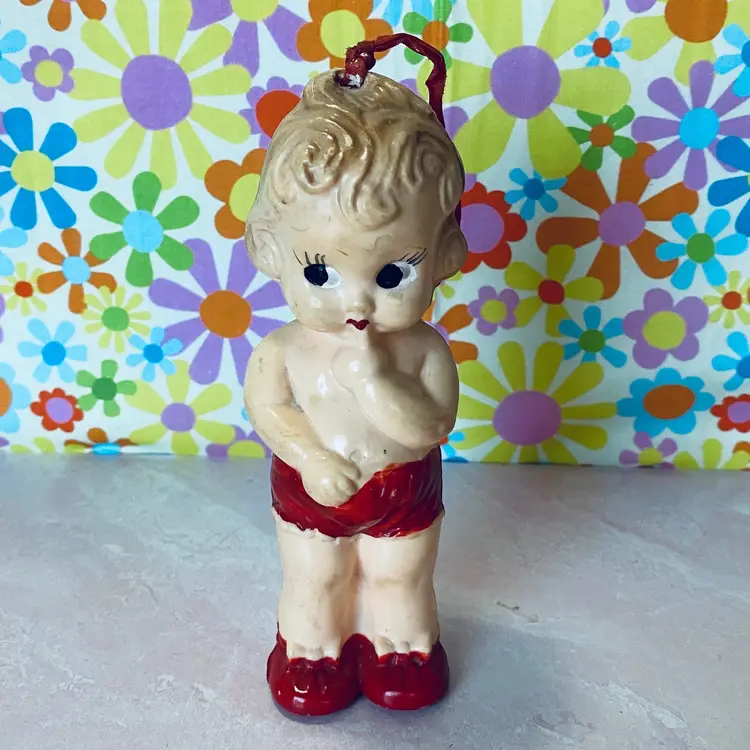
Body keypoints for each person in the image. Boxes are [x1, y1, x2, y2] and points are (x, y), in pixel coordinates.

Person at [244, 69, 466, 716]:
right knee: (317, 575)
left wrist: (377, 383)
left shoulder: (422, 351)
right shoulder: (284, 350)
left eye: (393, 273)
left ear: (445, 255)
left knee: (401, 575)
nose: (356, 302)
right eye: (320, 271)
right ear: (269, 250)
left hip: (404, 489)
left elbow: (434, 425)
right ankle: (313, 649)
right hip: (312, 490)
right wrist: (311, 456)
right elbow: (269, 408)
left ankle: (402, 646)